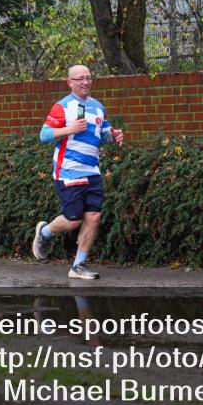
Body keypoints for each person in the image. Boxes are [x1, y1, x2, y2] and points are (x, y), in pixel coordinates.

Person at [31, 65, 124, 279]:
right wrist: (70, 129)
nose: (85, 82)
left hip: (92, 171)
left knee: (93, 217)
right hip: (69, 171)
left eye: (88, 78)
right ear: (69, 82)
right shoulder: (62, 106)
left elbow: (103, 135)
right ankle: (45, 232)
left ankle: (78, 266)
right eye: (80, 78)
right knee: (73, 220)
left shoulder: (98, 107)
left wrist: (114, 136)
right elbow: (44, 135)